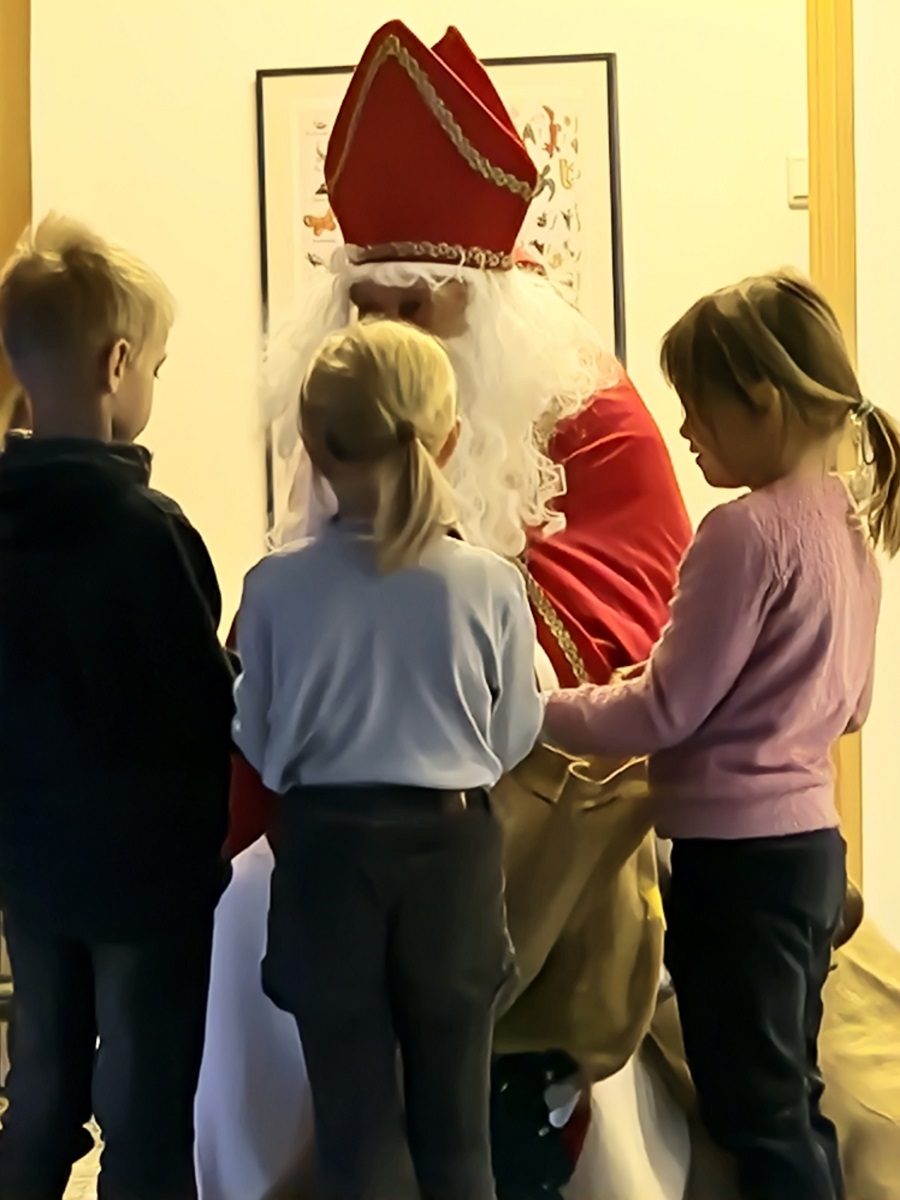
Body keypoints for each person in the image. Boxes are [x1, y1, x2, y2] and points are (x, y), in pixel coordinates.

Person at [196, 21, 693, 1200]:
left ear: (487, 304)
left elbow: (633, 609)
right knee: (441, 1121)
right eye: (368, 305)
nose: (390, 334)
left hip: (532, 832)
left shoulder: (589, 411)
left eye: (419, 309)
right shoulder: (439, 540)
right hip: (450, 853)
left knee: (372, 1116)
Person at [543, 269, 896, 1200]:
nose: (686, 431)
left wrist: (532, 713)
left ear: (764, 402)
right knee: (789, 1101)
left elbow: (665, 713)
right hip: (810, 853)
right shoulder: (848, 525)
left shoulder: (743, 532)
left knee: (756, 1116)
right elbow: (851, 707)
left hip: (737, 869)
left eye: (699, 410)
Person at [235, 317, 544, 1200]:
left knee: (354, 1131)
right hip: (452, 857)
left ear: (311, 444)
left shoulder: (273, 587)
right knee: (459, 1136)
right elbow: (516, 733)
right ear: (447, 440)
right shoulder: (491, 583)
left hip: (327, 855)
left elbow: (255, 737)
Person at [0, 214, 235, 1200]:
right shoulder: (150, 531)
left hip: (31, 862)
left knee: (40, 1084)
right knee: (144, 1108)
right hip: (146, 879)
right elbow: (202, 707)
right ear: (119, 364)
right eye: (159, 367)